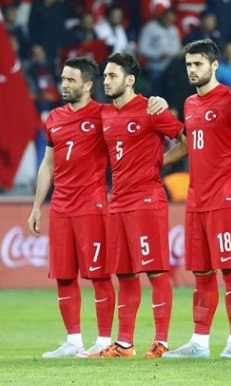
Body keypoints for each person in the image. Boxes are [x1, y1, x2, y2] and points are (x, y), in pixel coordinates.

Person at [160, 39, 231, 359]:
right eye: (189, 65)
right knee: (201, 273)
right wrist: (153, 163)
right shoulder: (190, 104)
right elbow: (189, 145)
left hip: (226, 198)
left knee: (230, 272)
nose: (192, 70)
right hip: (196, 200)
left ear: (215, 65)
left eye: (198, 64)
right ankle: (200, 343)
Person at [90, 53, 183, 358]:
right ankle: (125, 344)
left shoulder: (150, 108)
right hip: (117, 203)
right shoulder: (104, 114)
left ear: (129, 80)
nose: (106, 81)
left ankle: (161, 341)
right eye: (104, 76)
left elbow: (185, 139)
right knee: (125, 275)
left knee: (155, 272)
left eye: (112, 76)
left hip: (146, 201)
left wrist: (160, 162)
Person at [29, 57, 115, 358]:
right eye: (63, 79)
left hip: (91, 207)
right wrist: (37, 206)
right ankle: (74, 342)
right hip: (61, 208)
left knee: (99, 275)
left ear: (88, 85)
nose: (64, 85)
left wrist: (154, 104)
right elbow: (47, 164)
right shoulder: (54, 117)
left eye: (71, 80)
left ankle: (104, 342)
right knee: (64, 276)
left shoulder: (105, 115)